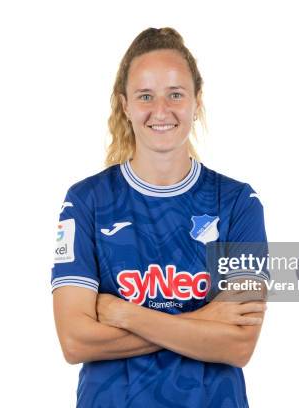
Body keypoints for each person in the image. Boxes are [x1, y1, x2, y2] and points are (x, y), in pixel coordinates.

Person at [51, 27, 269, 408]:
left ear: (196, 102)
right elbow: (74, 341)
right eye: (146, 96)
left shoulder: (238, 203)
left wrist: (124, 314)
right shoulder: (86, 202)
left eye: (176, 95)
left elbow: (238, 345)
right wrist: (205, 319)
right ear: (125, 105)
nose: (161, 110)